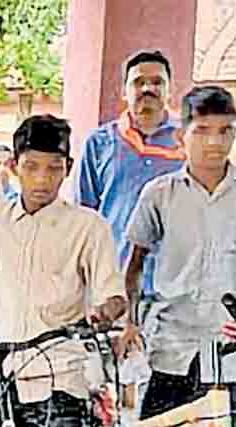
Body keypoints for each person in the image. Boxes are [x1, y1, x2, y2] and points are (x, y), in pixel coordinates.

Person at [0, 115, 126, 427]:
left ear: (69, 169)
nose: (42, 179)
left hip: (60, 375)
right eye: (31, 167)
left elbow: (114, 295)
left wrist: (102, 314)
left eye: (53, 169)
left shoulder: (88, 226)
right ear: (15, 167)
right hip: (1, 370)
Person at [123, 86, 236, 427]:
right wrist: (130, 323)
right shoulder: (159, 195)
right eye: (202, 131)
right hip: (172, 350)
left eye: (224, 131)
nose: (214, 143)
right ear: (182, 136)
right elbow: (133, 266)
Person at [76, 50, 184, 304]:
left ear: (170, 90)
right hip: (112, 284)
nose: (148, 88)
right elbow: (84, 215)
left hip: (175, 285)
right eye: (138, 82)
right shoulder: (99, 143)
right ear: (124, 91)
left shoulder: (189, 141)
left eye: (157, 82)